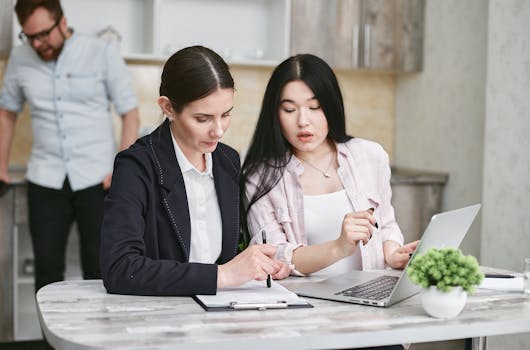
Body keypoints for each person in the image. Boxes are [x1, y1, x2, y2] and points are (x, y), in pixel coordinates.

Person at [100, 45, 282, 296]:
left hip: (221, 312)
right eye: (203, 118)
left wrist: (262, 263)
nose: (218, 130)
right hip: (161, 319)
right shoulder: (136, 166)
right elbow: (120, 269)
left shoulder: (228, 161)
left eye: (226, 115)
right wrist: (223, 275)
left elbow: (233, 251)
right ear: (168, 108)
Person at [0, 0, 139, 291]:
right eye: (30, 36)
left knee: (100, 269)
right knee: (47, 271)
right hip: (45, 178)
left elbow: (130, 112)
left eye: (44, 34)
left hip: (99, 181)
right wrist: (0, 163)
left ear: (63, 22)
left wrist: (122, 169)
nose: (38, 43)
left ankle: (100, 337)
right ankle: (48, 339)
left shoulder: (101, 52)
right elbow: (7, 112)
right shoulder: (20, 58)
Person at [241, 54, 419, 280]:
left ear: (331, 107)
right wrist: (339, 247)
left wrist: (393, 254)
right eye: (289, 110)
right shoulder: (260, 176)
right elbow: (274, 256)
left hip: (369, 296)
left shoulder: (370, 156)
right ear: (275, 115)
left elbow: (385, 225)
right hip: (304, 303)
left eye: (314, 107)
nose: (303, 121)